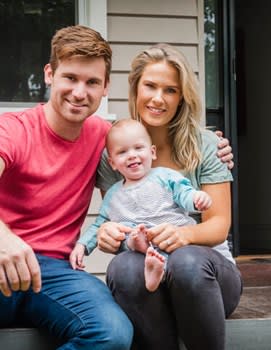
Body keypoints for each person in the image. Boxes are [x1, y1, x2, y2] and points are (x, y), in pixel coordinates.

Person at [96, 43, 243, 350]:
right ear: (135, 88)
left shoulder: (206, 145)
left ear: (181, 97)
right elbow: (118, 223)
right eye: (150, 86)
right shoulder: (115, 153)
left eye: (171, 90)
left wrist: (183, 234)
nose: (158, 98)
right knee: (122, 268)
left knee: (186, 262)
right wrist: (111, 235)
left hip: (207, 277)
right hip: (147, 276)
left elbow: (218, 226)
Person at [0, 25, 134, 349]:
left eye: (91, 82)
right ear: (49, 74)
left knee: (113, 334)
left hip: (54, 276)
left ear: (105, 88)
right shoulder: (14, 130)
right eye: (70, 78)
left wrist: (210, 147)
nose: (79, 92)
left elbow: (159, 154)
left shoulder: (106, 137)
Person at [70, 118, 212, 293]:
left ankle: (157, 268)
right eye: (122, 152)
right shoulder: (114, 194)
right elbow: (101, 224)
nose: (131, 155)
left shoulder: (165, 176)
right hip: (141, 245)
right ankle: (148, 257)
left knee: (178, 255)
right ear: (112, 163)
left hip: (173, 237)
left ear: (152, 152)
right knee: (130, 232)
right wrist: (82, 245)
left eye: (138, 148)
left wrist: (197, 198)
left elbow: (184, 193)